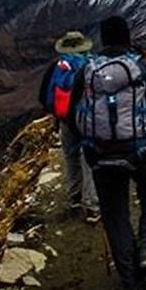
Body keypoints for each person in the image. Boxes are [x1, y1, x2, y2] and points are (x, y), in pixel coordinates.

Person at [69, 16, 146, 290]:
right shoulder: (141, 66)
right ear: (128, 37)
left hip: (102, 155)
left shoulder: (87, 70)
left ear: (103, 40)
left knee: (116, 216)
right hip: (140, 151)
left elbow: (72, 114)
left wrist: (87, 148)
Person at [38, 31, 100, 223]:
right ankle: (92, 206)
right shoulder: (94, 65)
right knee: (89, 160)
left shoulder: (57, 68)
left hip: (66, 121)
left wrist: (58, 115)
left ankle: (74, 197)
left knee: (70, 156)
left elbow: (43, 97)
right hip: (89, 120)